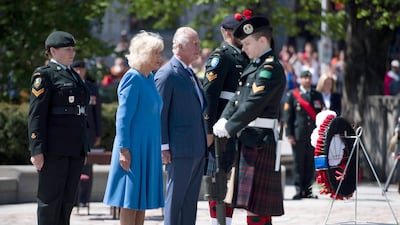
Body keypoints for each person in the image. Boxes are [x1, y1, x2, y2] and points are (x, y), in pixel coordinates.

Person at [213, 15, 286, 225]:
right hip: (248, 139)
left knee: (258, 207)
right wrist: (224, 118)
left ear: (262, 41)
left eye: (246, 43)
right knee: (251, 206)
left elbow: (255, 102)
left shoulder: (270, 68)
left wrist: (230, 125)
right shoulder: (255, 66)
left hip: (261, 141)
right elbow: (237, 98)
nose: (243, 48)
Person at [103, 31, 165, 225]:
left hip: (148, 147)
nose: (159, 57)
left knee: (140, 201)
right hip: (133, 148)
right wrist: (124, 149)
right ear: (144, 53)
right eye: (155, 52)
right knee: (130, 200)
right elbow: (122, 117)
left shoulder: (148, 78)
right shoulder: (133, 78)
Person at [28, 31, 90, 225]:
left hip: (74, 148)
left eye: (73, 49)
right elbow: (36, 114)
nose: (72, 53)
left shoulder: (73, 75)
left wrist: (83, 146)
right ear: (53, 51)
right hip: (54, 150)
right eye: (67, 49)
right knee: (49, 201)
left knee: (67, 200)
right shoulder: (44, 75)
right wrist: (36, 149)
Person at [154, 27, 207, 225]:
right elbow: (160, 113)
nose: (198, 48)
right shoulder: (167, 74)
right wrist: (164, 146)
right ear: (179, 46)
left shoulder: (190, 73)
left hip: (196, 148)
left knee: (190, 202)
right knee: (175, 200)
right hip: (179, 149)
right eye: (194, 44)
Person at [202, 13, 249, 225]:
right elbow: (209, 96)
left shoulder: (245, 55)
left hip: (239, 127)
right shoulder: (221, 56)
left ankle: (227, 220)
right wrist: (208, 130)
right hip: (221, 127)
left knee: (233, 182)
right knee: (219, 180)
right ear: (229, 33)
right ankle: (219, 222)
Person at [283, 70, 324, 200]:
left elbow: (321, 113)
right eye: (304, 77)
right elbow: (287, 116)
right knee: (298, 163)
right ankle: (298, 190)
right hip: (298, 135)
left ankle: (308, 190)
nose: (307, 80)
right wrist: (289, 134)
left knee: (310, 164)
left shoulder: (317, 95)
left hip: (313, 135)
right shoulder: (292, 95)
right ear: (300, 79)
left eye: (309, 77)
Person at [71, 60, 103, 207]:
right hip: (72, 134)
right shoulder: (69, 86)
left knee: (87, 167)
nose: (79, 71)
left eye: (81, 69)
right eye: (76, 68)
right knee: (72, 167)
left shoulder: (92, 88)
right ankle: (73, 199)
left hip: (88, 134)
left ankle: (84, 199)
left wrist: (98, 134)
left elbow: (97, 113)